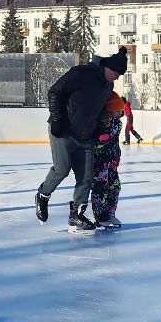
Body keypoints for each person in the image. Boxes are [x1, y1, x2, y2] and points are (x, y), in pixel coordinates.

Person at [36, 48, 127, 235]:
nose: (117, 78)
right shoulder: (81, 73)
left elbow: (101, 110)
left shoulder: (108, 86)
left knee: (86, 177)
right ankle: (43, 195)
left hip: (86, 136)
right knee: (62, 169)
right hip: (64, 130)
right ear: (108, 67)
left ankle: (76, 216)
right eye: (117, 73)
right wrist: (57, 119)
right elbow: (55, 92)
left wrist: (104, 124)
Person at [90, 92, 126, 230]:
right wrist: (99, 140)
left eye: (121, 110)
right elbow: (94, 142)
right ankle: (100, 217)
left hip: (112, 162)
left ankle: (110, 213)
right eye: (117, 110)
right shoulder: (98, 123)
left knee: (115, 186)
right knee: (100, 188)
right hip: (99, 163)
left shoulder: (117, 123)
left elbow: (114, 142)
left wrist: (117, 156)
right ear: (109, 109)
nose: (120, 113)